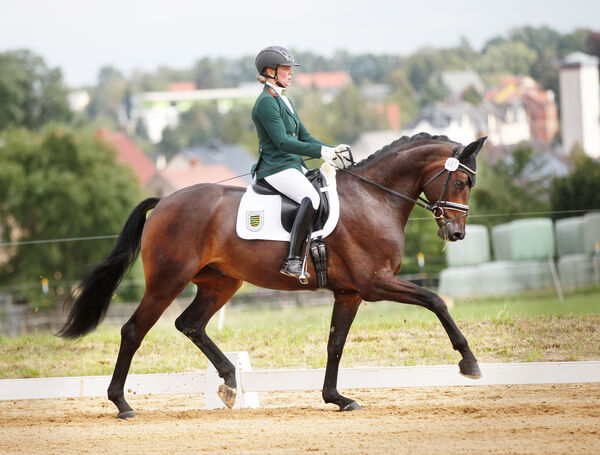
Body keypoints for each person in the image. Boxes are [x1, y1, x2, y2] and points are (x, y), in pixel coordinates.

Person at [251, 45, 351, 280]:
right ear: (270, 71)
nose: (290, 72)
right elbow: (284, 142)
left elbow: (304, 136)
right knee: (311, 198)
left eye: (290, 69)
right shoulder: (266, 102)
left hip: (293, 165)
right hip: (276, 167)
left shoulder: (284, 100)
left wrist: (331, 150)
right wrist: (321, 151)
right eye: (285, 68)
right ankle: (292, 260)